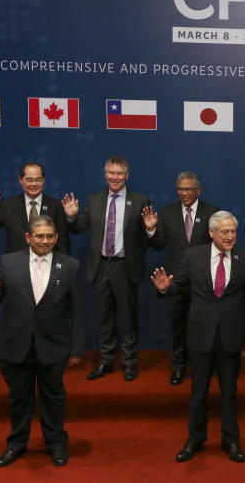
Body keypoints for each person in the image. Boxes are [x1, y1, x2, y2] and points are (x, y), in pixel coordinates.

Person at [0, 215, 84, 468]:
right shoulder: (8, 262)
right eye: (39, 236)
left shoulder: (70, 266)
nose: (44, 241)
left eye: (49, 236)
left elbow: (77, 311)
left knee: (54, 398)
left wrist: (77, 347)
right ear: (28, 238)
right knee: (19, 398)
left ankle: (56, 443)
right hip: (15, 345)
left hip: (53, 345)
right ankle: (16, 444)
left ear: (56, 238)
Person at [151, 211, 245, 463]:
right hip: (201, 335)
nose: (230, 236)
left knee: (229, 392)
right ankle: (194, 440)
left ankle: (231, 441)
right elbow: (179, 286)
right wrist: (166, 288)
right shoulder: (193, 256)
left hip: (231, 336)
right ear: (211, 232)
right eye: (225, 232)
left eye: (233, 231)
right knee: (198, 392)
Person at [62, 156, 150, 381]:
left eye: (119, 173)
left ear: (127, 175)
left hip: (125, 267)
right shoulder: (95, 199)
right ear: (105, 174)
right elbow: (79, 227)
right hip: (100, 267)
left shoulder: (140, 200)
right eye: (111, 173)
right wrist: (71, 217)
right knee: (104, 318)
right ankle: (106, 361)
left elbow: (146, 237)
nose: (115, 177)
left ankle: (130, 363)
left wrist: (151, 231)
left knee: (128, 318)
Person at [142, 171, 219, 385]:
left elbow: (219, 244)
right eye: (180, 189)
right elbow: (158, 245)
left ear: (198, 190)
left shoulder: (212, 212)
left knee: (204, 326)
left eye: (188, 189)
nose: (184, 193)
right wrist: (151, 230)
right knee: (177, 326)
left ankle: (202, 366)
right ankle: (178, 366)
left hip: (204, 281)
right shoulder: (167, 213)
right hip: (175, 281)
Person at [0, 162, 69, 254]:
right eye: (29, 180)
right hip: (16, 264)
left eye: (38, 179)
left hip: (47, 263)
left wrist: (62, 266)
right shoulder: (9, 205)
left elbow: (62, 240)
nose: (34, 184)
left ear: (44, 180)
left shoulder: (55, 205)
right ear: (20, 180)